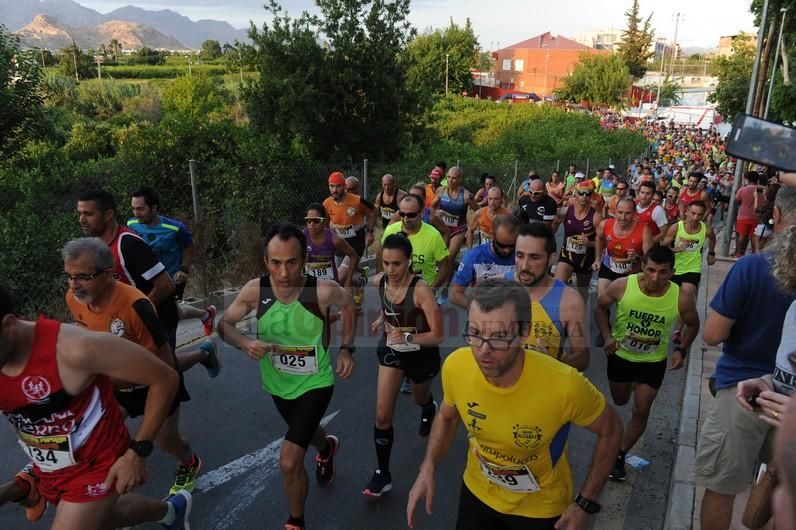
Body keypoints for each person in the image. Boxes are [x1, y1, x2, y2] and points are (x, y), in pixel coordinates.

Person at [406, 278, 622, 530]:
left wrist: (586, 503)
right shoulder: (456, 365)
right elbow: (447, 415)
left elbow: (612, 430)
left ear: (524, 332)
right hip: (477, 493)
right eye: (475, 334)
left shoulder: (565, 384)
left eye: (499, 337)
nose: (483, 351)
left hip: (540, 509)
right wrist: (428, 467)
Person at [0, 285, 192, 530]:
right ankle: (172, 511)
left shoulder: (75, 348)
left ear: (8, 326)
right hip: (51, 468)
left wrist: (137, 452)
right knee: (107, 518)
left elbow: (165, 378)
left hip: (98, 463)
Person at [217, 224, 356, 530]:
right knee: (307, 432)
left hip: (316, 382)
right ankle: (326, 447)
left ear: (303, 261)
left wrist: (346, 349)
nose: (283, 273)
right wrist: (245, 343)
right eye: (276, 263)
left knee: (289, 461)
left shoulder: (322, 290)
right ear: (266, 262)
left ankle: (296, 520)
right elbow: (223, 325)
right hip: (278, 384)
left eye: (291, 262)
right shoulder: (256, 291)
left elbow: (349, 307)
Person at [62, 237, 213, 497]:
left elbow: (165, 365)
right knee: (95, 436)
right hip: (116, 387)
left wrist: (118, 377)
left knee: (165, 440)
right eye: (69, 276)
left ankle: (189, 462)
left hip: (154, 384)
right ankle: (109, 491)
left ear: (109, 274)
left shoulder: (136, 305)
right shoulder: (74, 298)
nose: (74, 285)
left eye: (83, 277)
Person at [694, 187, 796, 530]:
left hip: (743, 393)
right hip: (788, 400)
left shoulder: (753, 266)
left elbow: (712, 335)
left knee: (721, 487)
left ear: (777, 216)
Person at [594, 245, 700, 481]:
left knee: (641, 409)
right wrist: (608, 335)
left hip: (653, 361)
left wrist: (680, 350)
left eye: (663, 272)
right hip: (621, 357)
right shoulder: (623, 286)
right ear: (642, 266)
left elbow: (694, 324)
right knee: (620, 399)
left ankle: (619, 456)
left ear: (672, 272)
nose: (655, 277)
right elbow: (600, 308)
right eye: (651, 270)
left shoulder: (680, 298)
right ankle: (632, 385)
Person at [363, 234, 444, 497]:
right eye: (386, 263)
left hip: (422, 354)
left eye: (396, 264)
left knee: (419, 397)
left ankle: (428, 406)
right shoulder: (381, 282)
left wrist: (407, 337)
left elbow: (439, 334)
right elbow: (389, 309)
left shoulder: (420, 290)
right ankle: (382, 473)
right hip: (392, 351)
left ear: (408, 262)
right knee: (382, 415)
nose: (390, 269)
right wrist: (381, 320)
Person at [77, 190, 179, 346]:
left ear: (108, 214)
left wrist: (134, 316)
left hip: (157, 318)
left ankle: (203, 354)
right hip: (126, 325)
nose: (81, 220)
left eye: (89, 214)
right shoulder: (92, 246)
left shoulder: (129, 245)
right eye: (80, 213)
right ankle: (204, 354)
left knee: (161, 368)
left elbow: (166, 285)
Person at [128, 187, 216, 337]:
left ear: (154, 208)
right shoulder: (131, 224)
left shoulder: (174, 228)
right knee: (174, 311)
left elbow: (189, 246)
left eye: (140, 209)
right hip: (146, 279)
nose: (136, 213)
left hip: (170, 279)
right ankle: (206, 315)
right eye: (134, 209)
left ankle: (169, 351)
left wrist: (183, 269)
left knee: (167, 316)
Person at [510, 223, 590, 370]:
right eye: (519, 256)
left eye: (534, 257)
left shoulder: (570, 301)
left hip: (544, 387)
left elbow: (582, 356)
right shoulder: (500, 287)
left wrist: (552, 364)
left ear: (552, 259)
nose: (525, 266)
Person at [661, 201, 717, 343]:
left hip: (693, 268)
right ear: (687, 211)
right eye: (693, 213)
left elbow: (712, 238)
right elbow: (663, 245)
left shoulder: (706, 229)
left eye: (699, 214)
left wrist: (711, 253)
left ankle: (677, 331)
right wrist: (675, 249)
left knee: (686, 297)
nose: (696, 217)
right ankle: (662, 325)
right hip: (674, 268)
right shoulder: (676, 227)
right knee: (670, 300)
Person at [383, 194, 451, 290]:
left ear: (422, 212)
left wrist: (432, 290)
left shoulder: (433, 235)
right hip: (396, 292)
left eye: (411, 215)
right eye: (402, 214)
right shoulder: (390, 231)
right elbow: (380, 257)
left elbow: (444, 266)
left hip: (424, 293)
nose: (406, 219)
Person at [450, 214, 518, 308]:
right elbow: (455, 295)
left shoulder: (522, 257)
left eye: (512, 245)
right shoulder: (473, 257)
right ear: (492, 235)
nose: (507, 250)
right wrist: (479, 310)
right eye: (502, 245)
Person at [430, 167, 476, 304]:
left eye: (454, 178)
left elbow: (478, 211)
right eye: (448, 177)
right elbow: (432, 207)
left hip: (459, 230)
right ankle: (460, 267)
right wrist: (436, 213)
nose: (450, 180)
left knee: (449, 257)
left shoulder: (466, 196)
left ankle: (443, 289)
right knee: (440, 258)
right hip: (443, 229)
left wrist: (470, 229)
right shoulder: (441, 191)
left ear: (460, 179)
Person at [593, 198, 653, 299]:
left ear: (634, 213)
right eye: (620, 212)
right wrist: (597, 259)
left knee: (623, 305)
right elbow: (599, 239)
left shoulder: (644, 230)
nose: (623, 217)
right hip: (608, 267)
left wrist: (637, 257)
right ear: (615, 211)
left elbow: (650, 259)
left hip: (631, 274)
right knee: (601, 300)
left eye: (628, 213)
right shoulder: (605, 224)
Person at [556, 180, 601, 290]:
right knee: (557, 287)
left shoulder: (595, 216)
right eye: (581, 193)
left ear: (591, 196)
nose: (584, 197)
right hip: (567, 254)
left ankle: (580, 307)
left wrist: (590, 244)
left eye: (588, 194)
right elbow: (552, 213)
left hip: (586, 258)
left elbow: (602, 241)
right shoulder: (567, 211)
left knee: (582, 289)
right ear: (576, 193)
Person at [323, 171, 377, 259]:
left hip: (356, 243)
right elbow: (325, 224)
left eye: (338, 186)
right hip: (340, 243)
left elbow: (374, 211)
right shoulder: (326, 203)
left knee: (344, 271)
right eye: (331, 186)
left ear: (344, 186)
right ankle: (362, 271)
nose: (334, 190)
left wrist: (369, 232)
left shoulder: (357, 201)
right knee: (339, 269)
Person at [303, 203, 359, 287]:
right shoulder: (301, 237)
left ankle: (358, 281)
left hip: (331, 284)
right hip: (310, 283)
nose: (311, 224)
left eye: (316, 220)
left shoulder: (335, 240)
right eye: (308, 220)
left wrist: (348, 281)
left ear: (324, 221)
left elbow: (354, 256)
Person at [733, 170, 766, 257]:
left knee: (742, 237)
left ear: (747, 179)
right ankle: (755, 256)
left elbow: (736, 201)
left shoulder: (743, 190)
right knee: (754, 238)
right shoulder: (763, 189)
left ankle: (739, 254)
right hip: (758, 218)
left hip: (743, 217)